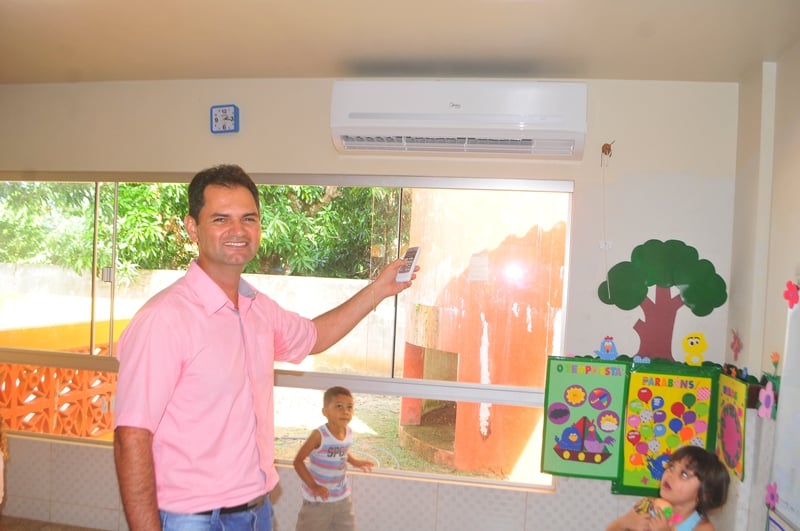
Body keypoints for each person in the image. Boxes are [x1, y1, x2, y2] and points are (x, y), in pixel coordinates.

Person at [113, 164, 417, 531]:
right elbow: (131, 435)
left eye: (249, 219)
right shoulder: (164, 319)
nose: (238, 231)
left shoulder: (256, 308)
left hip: (256, 510)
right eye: (221, 219)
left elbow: (314, 336)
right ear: (193, 227)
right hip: (191, 518)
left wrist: (379, 289)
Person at [293, 386, 372, 531]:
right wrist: (314, 486)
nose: (345, 411)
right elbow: (298, 461)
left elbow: (342, 452)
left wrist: (355, 462)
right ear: (325, 411)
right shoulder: (319, 435)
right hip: (318, 501)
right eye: (339, 406)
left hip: (342, 498)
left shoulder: (348, 432)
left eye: (349, 407)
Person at [606, 445, 730, 531]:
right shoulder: (647, 505)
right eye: (671, 467)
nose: (670, 474)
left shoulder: (703, 528)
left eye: (684, 474)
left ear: (704, 494)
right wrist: (624, 522)